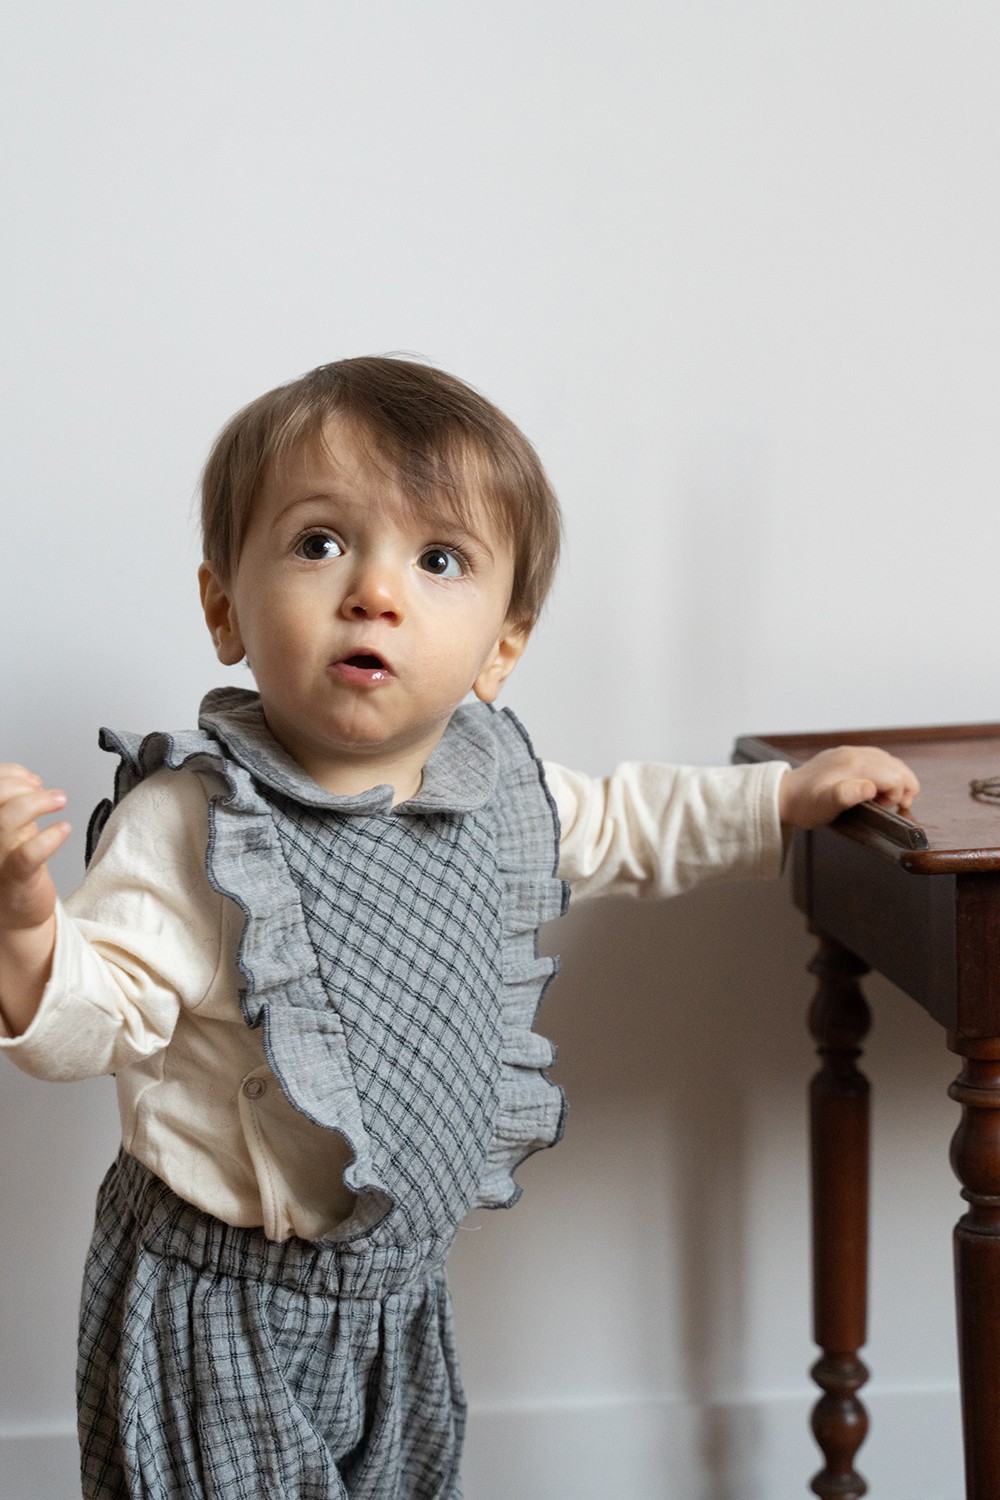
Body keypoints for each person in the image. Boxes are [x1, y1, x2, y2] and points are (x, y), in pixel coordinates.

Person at [0, 357, 918, 1500]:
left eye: (437, 561)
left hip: (394, 1291)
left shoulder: (493, 794)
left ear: (500, 649)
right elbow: (99, 1015)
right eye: (320, 542)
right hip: (218, 1296)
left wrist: (782, 798)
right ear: (223, 605)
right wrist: (30, 933)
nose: (374, 591)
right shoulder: (196, 826)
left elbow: (633, 822)